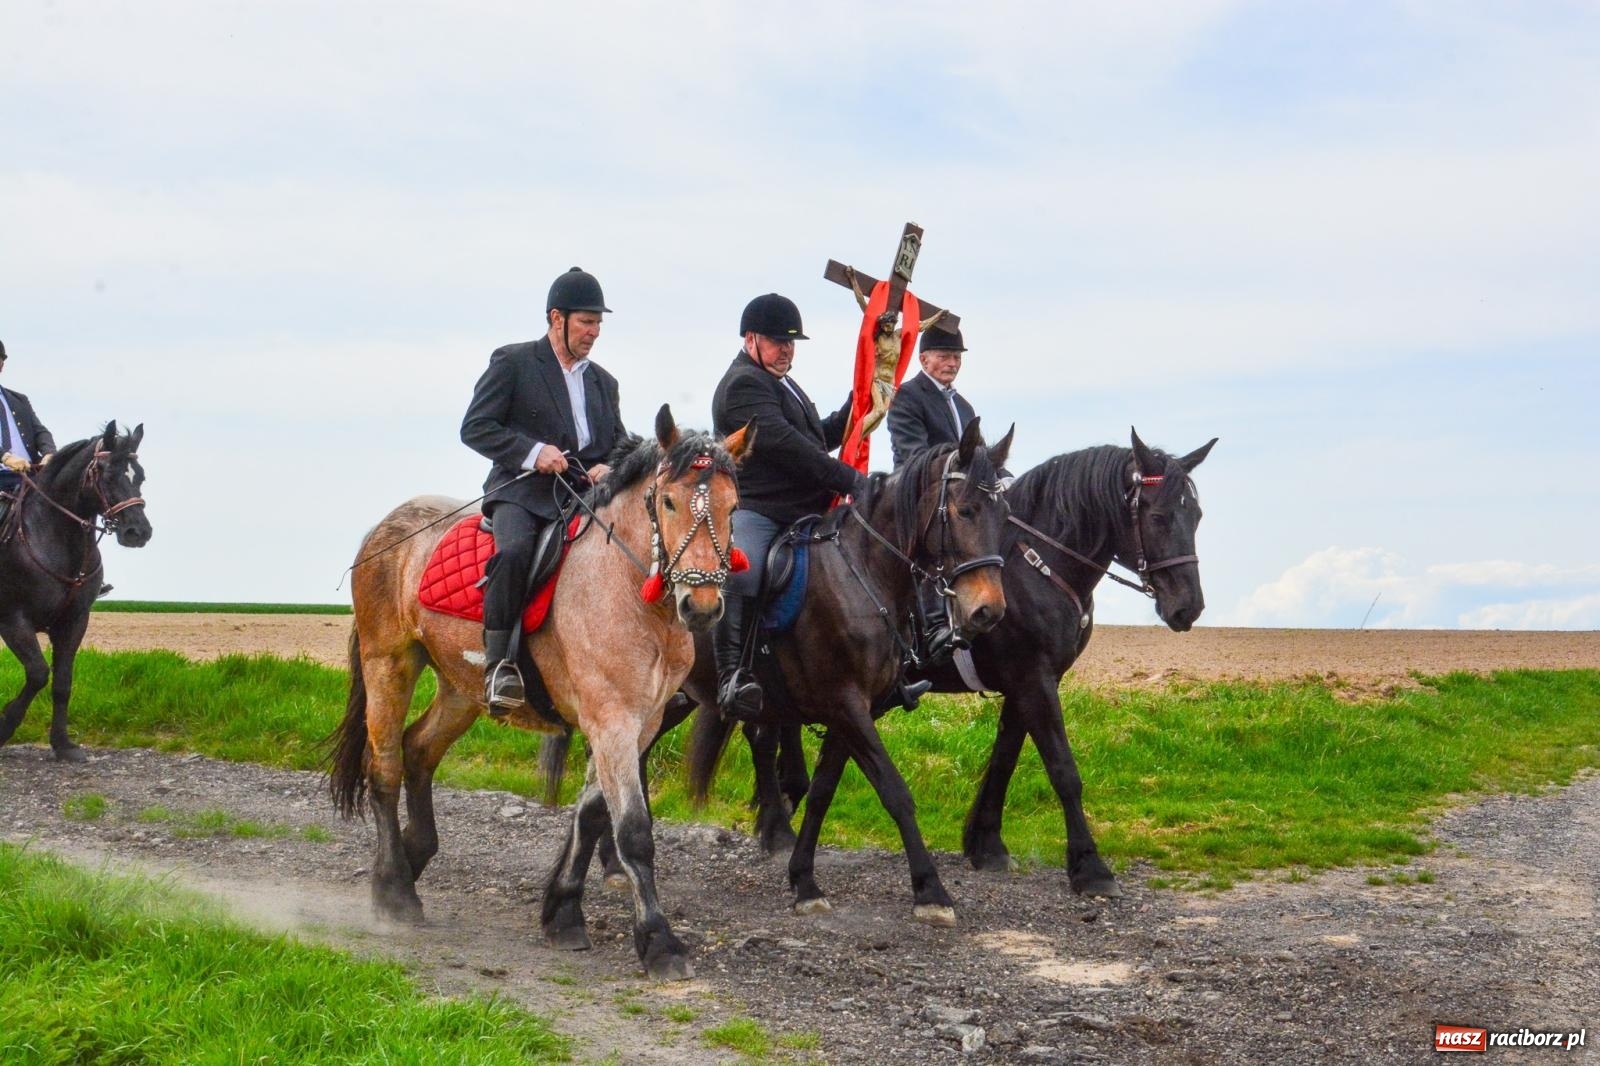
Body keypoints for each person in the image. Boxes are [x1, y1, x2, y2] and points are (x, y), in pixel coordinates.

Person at [460, 268, 627, 714]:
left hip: (580, 497)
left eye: (598, 324)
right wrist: (534, 452)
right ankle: (500, 667)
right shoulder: (513, 363)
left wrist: (609, 465)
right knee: (514, 553)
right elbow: (475, 428)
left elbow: (620, 444)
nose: (594, 332)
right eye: (586, 322)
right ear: (557, 318)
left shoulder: (603, 383)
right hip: (522, 493)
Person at [709, 293, 873, 721]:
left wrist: (862, 404)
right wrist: (851, 480)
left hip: (802, 512)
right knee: (746, 570)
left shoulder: (783, 383)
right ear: (750, 339)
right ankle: (731, 676)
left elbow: (814, 437)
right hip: (759, 509)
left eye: (792, 342)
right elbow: (785, 445)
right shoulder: (742, 385)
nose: (787, 349)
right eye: (778, 340)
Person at [886, 324, 1009, 662]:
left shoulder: (964, 406)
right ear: (924, 359)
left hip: (957, 491)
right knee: (934, 543)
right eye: (944, 356)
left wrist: (1002, 477)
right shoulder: (907, 396)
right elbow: (911, 451)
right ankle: (935, 625)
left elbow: (977, 458)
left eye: (956, 357)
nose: (951, 363)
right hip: (919, 491)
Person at [0, 339, 57, 497]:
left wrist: (49, 453)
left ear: (2, 365)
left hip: (30, 477)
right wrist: (4, 457)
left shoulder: (19, 400)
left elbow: (40, 432)